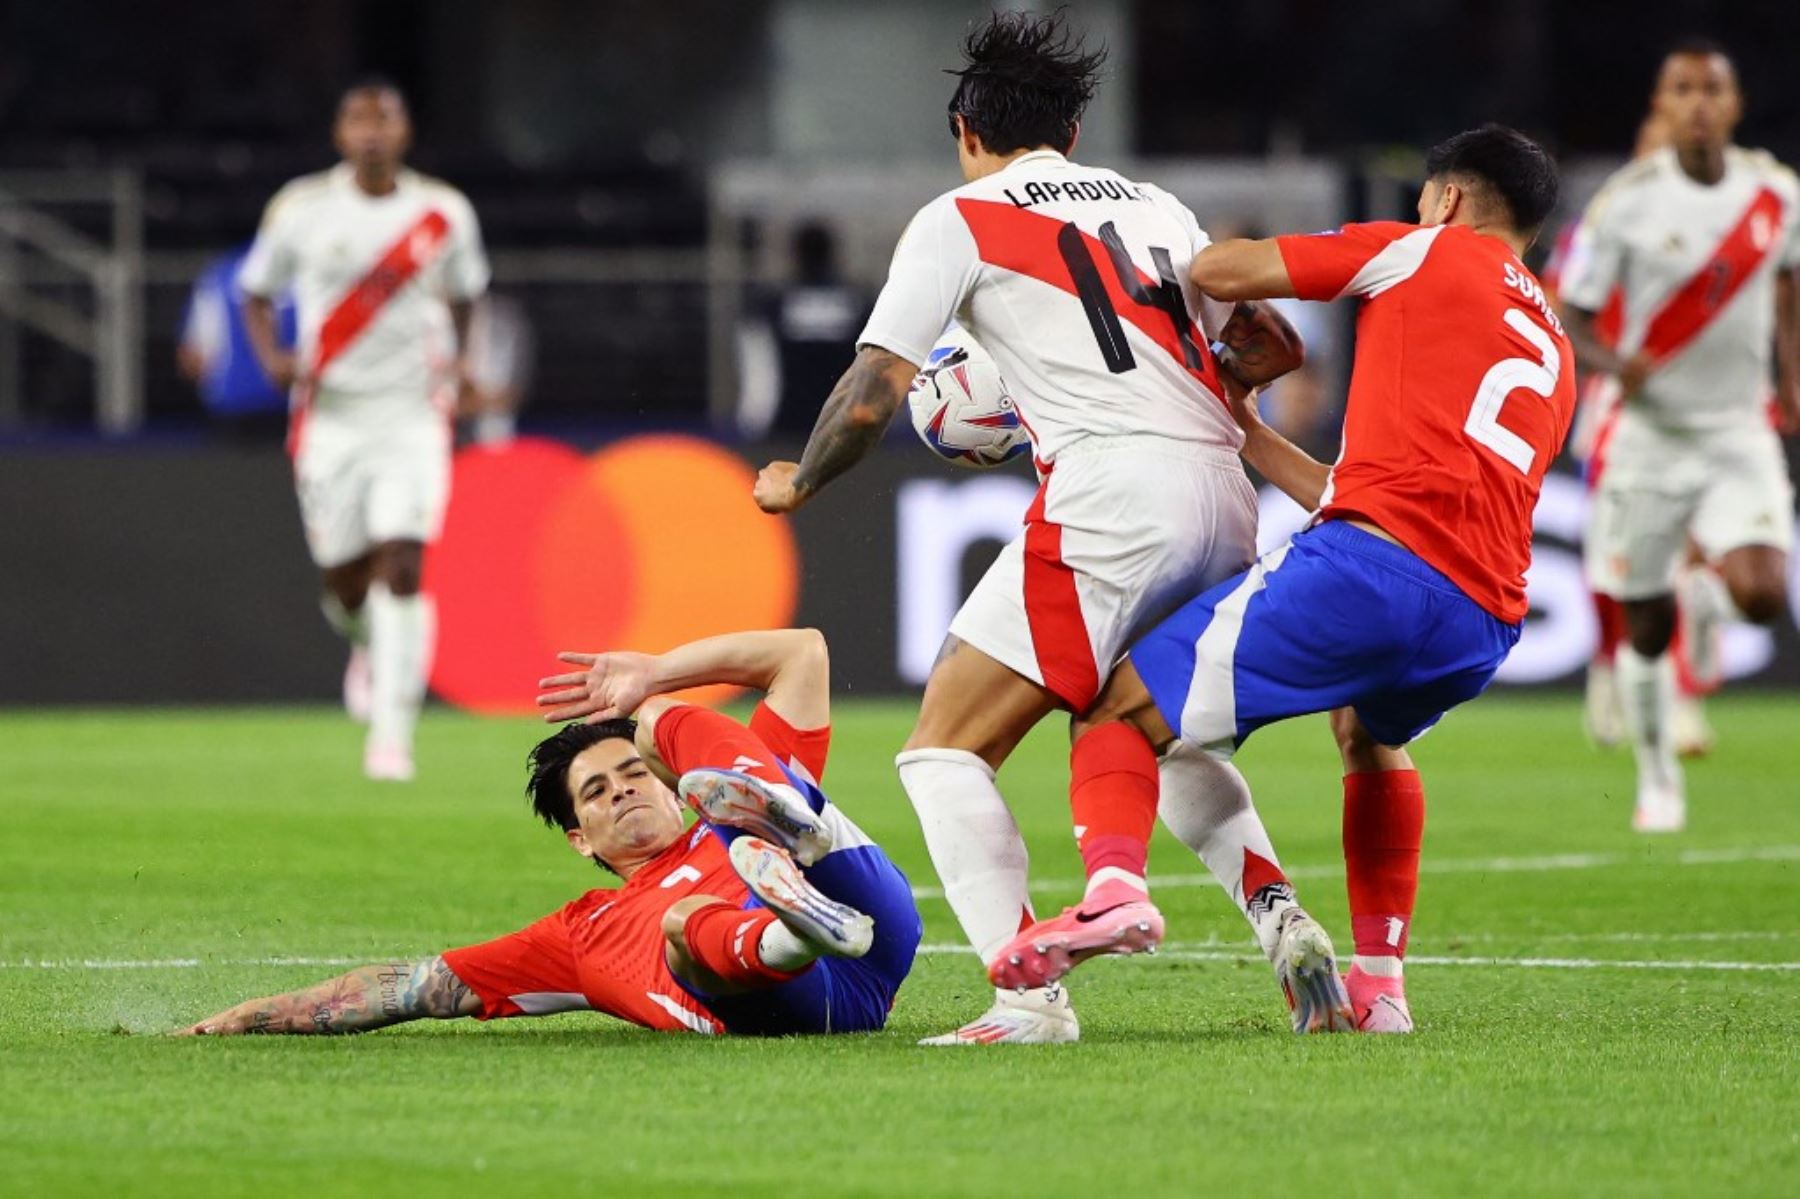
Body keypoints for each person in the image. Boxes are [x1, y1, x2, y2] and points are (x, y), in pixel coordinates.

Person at [754, 11, 1337, 1043]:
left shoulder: (962, 215)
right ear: (1072, 135)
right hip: (1224, 492)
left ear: (964, 129)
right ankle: (1280, 914)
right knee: (1140, 717)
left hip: (1115, 493)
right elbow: (1230, 352)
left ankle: (1028, 998)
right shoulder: (1161, 208)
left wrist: (801, 482)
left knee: (942, 748)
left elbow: (870, 394)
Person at [991, 125, 1576, 1036]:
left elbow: (1222, 272)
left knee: (1117, 706)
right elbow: (1369, 491)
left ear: (1448, 201)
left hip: (1375, 575)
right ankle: (1381, 988)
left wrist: (1135, 243)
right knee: (1369, 735)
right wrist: (1254, 435)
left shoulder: (1420, 248)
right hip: (1482, 618)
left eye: (1424, 199)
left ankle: (1113, 889)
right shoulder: (1549, 338)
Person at [177, 629, 922, 1038]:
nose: (623, 787)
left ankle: (803, 859)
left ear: (670, 787)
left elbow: (804, 652)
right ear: (582, 840)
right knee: (682, 921)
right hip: (778, 1000)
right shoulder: (580, 932)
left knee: (660, 718)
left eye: (632, 774)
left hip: (872, 922)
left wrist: (654, 672)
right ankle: (795, 927)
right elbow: (415, 988)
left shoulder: (724, 815)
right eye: (596, 793)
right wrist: (248, 1016)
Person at [1557, 40, 1800, 833]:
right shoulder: (1625, 202)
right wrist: (1610, 364)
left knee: (1763, 594)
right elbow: (1574, 314)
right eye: (1682, 89)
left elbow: (1788, 283)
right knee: (1645, 623)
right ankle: (1657, 777)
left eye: (1712, 89)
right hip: (1649, 435)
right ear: (1663, 105)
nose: (1698, 102)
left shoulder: (1776, 194)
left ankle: (1710, 594)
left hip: (1738, 429)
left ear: (1733, 105)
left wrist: (1791, 377)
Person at [238, 77, 490, 782]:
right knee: (346, 580)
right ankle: (365, 641)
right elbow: (256, 291)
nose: (372, 131)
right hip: (332, 417)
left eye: (385, 119)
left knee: (405, 565)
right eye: (358, 119)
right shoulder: (302, 208)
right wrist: (271, 359)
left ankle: (391, 737)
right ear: (339, 134)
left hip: (413, 412)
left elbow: (469, 296)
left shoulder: (443, 213)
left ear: (405, 132)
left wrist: (462, 366)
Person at [176, 243, 295, 441]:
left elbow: (192, 358)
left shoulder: (218, 275)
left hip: (231, 408)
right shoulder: (302, 271)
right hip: (289, 404)